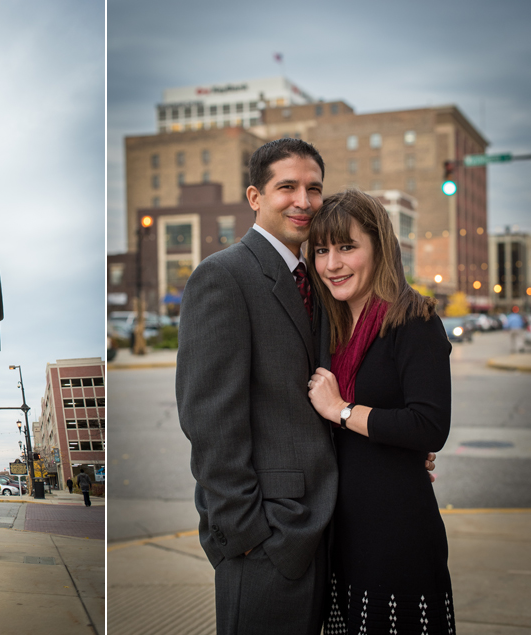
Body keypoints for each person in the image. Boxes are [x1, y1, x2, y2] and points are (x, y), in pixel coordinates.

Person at [177, 138, 337, 634]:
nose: (303, 201)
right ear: (254, 197)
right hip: (269, 537)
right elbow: (209, 421)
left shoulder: (319, 279)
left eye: (314, 189)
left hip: (327, 528)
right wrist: (248, 534)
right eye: (286, 187)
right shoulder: (223, 276)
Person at [306, 189, 455, 633]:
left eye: (347, 247)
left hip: (397, 534)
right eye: (321, 250)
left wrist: (342, 410)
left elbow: (429, 426)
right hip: (338, 535)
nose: (332, 264)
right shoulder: (327, 329)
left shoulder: (414, 319)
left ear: (379, 248)